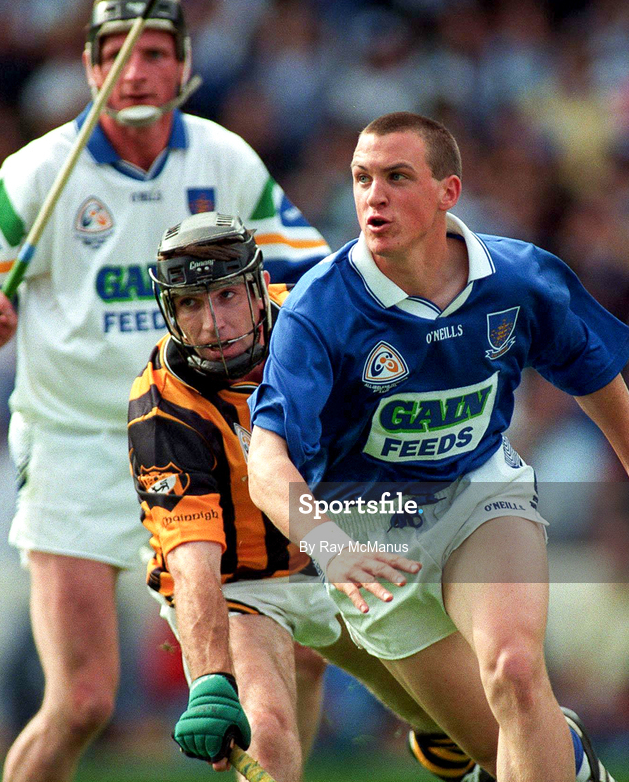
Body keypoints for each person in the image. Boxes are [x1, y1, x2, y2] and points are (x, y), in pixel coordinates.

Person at [0, 3, 329, 781]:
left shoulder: (226, 158)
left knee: (291, 665)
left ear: (183, 66)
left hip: (200, 438)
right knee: (81, 701)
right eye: (114, 53)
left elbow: (307, 275)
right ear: (88, 67)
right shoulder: (40, 170)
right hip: (74, 446)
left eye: (151, 52)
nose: (133, 70)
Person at [246, 111, 629, 781]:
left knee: (516, 671)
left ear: (448, 192)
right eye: (361, 178)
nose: (374, 195)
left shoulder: (517, 277)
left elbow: (592, 369)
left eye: (397, 177)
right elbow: (267, 462)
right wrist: (332, 546)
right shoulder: (321, 309)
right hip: (371, 538)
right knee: (500, 751)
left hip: (479, 496)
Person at [129, 211, 489, 780]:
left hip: (340, 550)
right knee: (264, 730)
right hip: (241, 585)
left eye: (225, 296)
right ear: (169, 310)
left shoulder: (321, 320)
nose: (212, 323)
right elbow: (193, 563)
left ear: (255, 286)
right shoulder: (161, 407)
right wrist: (211, 684)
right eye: (191, 304)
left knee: (461, 720)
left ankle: (450, 749)